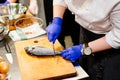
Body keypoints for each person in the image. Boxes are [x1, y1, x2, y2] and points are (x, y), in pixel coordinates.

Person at [46, 0, 120, 80]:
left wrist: (84, 49)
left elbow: (118, 35)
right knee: (85, 71)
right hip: (86, 33)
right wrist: (57, 20)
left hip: (110, 43)